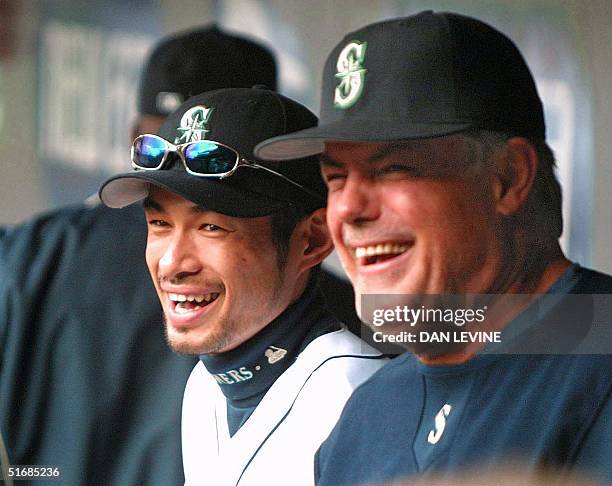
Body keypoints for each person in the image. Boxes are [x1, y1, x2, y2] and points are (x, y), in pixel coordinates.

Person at [255, 11, 612, 485]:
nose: (348, 210)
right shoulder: (366, 415)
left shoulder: (597, 360)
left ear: (507, 179)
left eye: (394, 168)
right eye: (336, 178)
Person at [0, 26, 282, 485]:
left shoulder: (28, 255)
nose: (175, 261)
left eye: (209, 155)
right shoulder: (307, 287)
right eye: (160, 224)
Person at [99, 87, 388, 485]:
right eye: (160, 224)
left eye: (211, 227)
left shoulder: (361, 404)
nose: (172, 264)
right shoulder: (205, 386)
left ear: (312, 241)